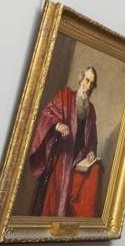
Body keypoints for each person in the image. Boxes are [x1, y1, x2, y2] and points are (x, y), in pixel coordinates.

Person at [28, 66, 101, 217]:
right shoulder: (65, 96)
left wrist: (91, 151)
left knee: (95, 173)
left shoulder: (91, 109)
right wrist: (57, 125)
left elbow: (92, 137)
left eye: (92, 84)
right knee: (54, 198)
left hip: (79, 159)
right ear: (81, 80)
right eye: (87, 81)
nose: (88, 87)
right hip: (62, 155)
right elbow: (47, 114)